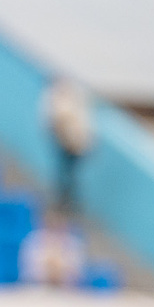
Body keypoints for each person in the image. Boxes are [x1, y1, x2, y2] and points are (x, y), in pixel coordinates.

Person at [42, 77, 95, 212]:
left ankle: (69, 201)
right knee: (64, 174)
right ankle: (63, 201)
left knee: (70, 175)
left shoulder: (76, 104)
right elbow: (55, 123)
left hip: (76, 145)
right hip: (65, 144)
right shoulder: (56, 102)